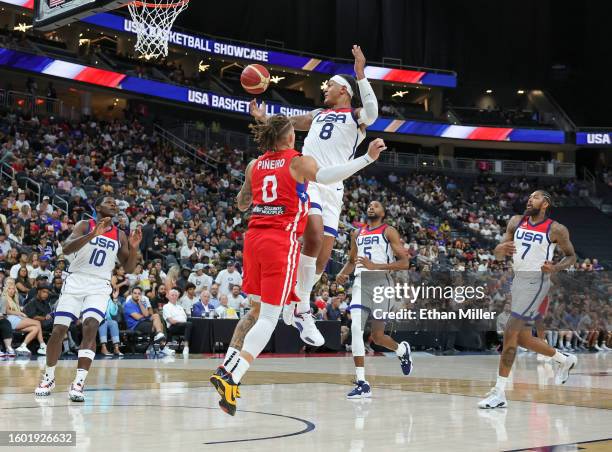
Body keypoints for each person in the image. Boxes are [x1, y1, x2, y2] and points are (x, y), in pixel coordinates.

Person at [210, 113, 386, 415]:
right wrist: (367, 158)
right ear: (290, 137)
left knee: (257, 311)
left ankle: (229, 370)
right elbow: (330, 177)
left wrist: (258, 192)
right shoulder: (299, 161)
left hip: (252, 240)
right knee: (268, 318)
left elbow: (242, 202)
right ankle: (232, 376)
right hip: (280, 242)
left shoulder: (255, 165)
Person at [250, 45, 378, 347]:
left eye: (330, 85)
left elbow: (372, 112)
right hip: (309, 177)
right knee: (315, 234)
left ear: (344, 91)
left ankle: (298, 304)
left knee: (321, 259)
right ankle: (303, 308)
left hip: (334, 185)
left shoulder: (356, 116)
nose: (326, 89)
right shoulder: (318, 113)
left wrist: (360, 73)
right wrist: (264, 119)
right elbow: (286, 126)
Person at [35, 196, 142, 402]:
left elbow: (127, 268)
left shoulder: (120, 234)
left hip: (99, 285)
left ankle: (78, 383)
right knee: (59, 330)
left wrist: (134, 248)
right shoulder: (85, 225)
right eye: (109, 202)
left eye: (115, 202)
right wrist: (93, 234)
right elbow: (66, 248)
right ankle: (49, 377)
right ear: (97, 207)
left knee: (91, 325)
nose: (113, 205)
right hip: (76, 280)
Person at [478, 191, 578, 409]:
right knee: (522, 339)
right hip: (518, 281)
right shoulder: (516, 222)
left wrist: (556, 266)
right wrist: (499, 249)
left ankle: (499, 392)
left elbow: (572, 256)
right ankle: (564, 359)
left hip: (537, 283)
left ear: (546, 203)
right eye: (529, 197)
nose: (529, 200)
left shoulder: (556, 229)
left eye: (535, 197)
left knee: (510, 333)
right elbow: (498, 253)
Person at [336, 201, 412, 399]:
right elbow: (353, 261)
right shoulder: (357, 234)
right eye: (369, 205)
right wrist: (343, 274)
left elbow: (405, 263)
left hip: (381, 283)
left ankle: (402, 349)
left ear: (383, 212)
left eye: (376, 206)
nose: (371, 207)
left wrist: (374, 266)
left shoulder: (389, 231)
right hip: (361, 283)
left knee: (378, 337)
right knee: (355, 329)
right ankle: (362, 382)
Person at [1, 278, 46, 355]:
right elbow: (7, 311)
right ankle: (42, 345)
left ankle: (23, 346)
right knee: (37, 322)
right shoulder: (4, 298)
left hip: (16, 319)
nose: (11, 290)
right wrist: (19, 313)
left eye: (13, 289)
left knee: (35, 328)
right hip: (10, 320)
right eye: (9, 289)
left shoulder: (14, 299)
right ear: (6, 290)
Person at [123, 286, 169, 352]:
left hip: (143, 322)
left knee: (156, 316)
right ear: (131, 294)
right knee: (159, 326)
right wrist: (145, 316)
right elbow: (138, 317)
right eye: (135, 293)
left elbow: (146, 314)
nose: (137, 295)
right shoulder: (128, 305)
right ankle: (162, 347)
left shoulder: (141, 303)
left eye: (139, 294)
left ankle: (159, 339)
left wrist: (139, 303)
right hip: (135, 325)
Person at [162, 289, 193, 356]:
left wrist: (183, 322)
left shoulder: (180, 307)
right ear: (168, 296)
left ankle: (196, 348)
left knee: (193, 325)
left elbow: (185, 318)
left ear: (177, 297)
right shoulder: (166, 307)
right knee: (189, 324)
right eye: (172, 295)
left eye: (175, 295)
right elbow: (171, 321)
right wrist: (182, 322)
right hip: (173, 327)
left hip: (183, 325)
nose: (174, 297)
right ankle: (186, 347)